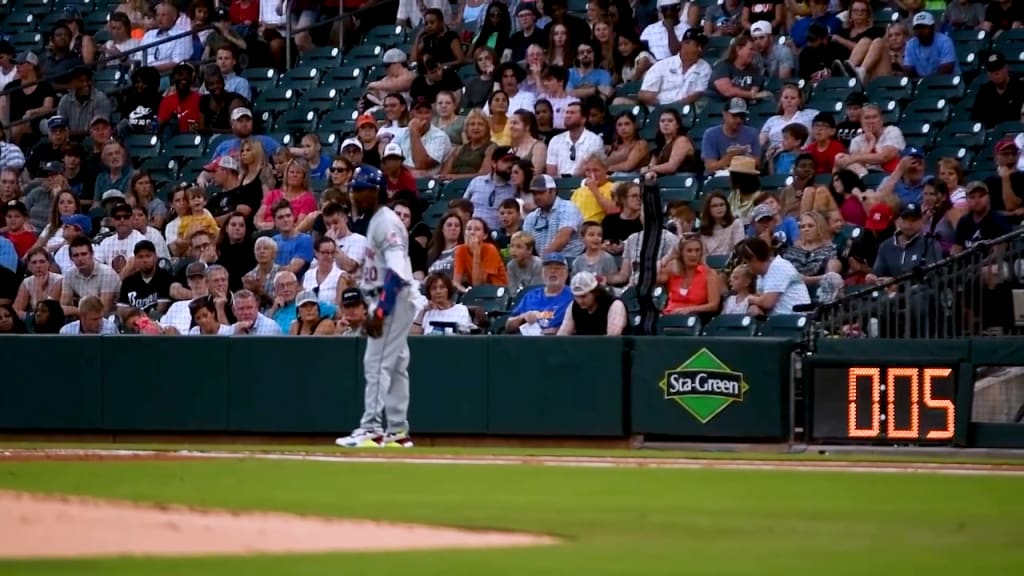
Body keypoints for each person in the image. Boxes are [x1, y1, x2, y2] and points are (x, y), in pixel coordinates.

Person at [336, 166, 416, 449]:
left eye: (361, 189)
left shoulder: (386, 222)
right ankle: (397, 431)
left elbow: (397, 272)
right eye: (354, 188)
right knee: (395, 366)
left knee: (376, 363)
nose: (356, 194)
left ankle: (372, 428)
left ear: (376, 191)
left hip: (391, 299)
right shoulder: (376, 220)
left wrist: (381, 310)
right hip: (388, 298)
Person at [737, 237, 811, 316]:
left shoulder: (779, 266)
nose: (746, 266)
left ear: (754, 259)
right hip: (777, 321)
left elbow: (767, 302)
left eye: (746, 262)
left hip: (796, 319)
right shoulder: (761, 274)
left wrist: (749, 299)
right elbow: (760, 298)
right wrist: (754, 305)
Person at [557, 271, 627, 335]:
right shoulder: (573, 306)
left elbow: (612, 339)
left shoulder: (615, 305)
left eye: (583, 296)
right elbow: (562, 336)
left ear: (595, 292)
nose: (580, 301)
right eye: (576, 297)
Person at [904, 12, 958, 78]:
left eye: (924, 27)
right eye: (917, 28)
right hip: (921, 83)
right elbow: (909, 69)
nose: (920, 31)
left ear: (932, 27)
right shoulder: (910, 44)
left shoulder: (944, 41)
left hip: (947, 82)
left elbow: (947, 68)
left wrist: (927, 82)